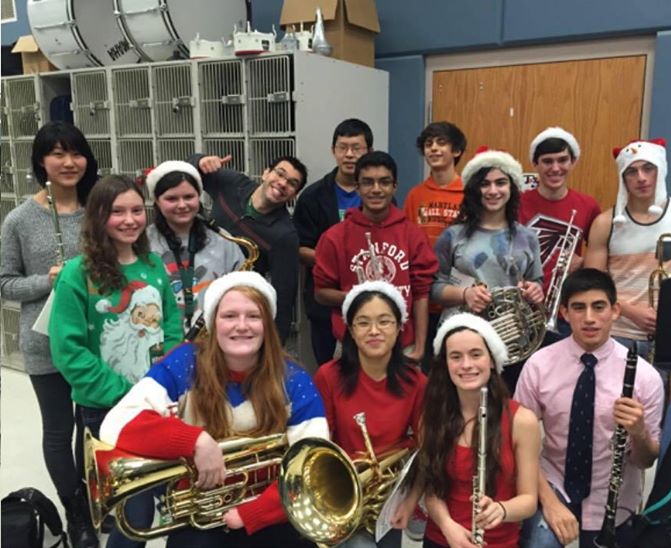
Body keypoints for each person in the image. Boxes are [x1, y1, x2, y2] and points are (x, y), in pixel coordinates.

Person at [98, 271, 329, 548]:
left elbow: (312, 466)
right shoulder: (184, 363)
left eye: (253, 316)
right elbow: (116, 424)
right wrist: (195, 440)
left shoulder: (293, 379)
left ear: (267, 324)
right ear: (212, 322)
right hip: (199, 516)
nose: (241, 326)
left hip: (271, 512)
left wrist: (250, 513)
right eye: (229, 316)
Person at [48, 174, 183, 548]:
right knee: (132, 515)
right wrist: (126, 394)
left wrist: (165, 382)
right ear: (97, 217)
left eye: (137, 210)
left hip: (157, 404)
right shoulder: (78, 273)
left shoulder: (153, 264)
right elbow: (69, 351)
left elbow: (172, 327)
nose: (130, 220)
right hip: (107, 408)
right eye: (117, 212)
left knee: (172, 504)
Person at [0, 121, 99, 548]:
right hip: (46, 341)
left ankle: (98, 502)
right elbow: (5, 284)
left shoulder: (100, 209)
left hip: (98, 339)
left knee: (92, 430)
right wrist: (48, 280)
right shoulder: (20, 219)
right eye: (57, 153)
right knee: (59, 431)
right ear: (40, 161)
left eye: (75, 153)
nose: (68, 162)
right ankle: (76, 512)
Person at [514, 268, 664, 548]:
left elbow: (646, 461)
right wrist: (549, 503)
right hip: (553, 484)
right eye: (578, 308)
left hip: (614, 498)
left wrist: (639, 431)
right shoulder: (539, 365)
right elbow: (518, 444)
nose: (590, 318)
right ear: (564, 313)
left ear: (615, 310)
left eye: (599, 307)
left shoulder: (645, 377)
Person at [393, 313, 540, 548]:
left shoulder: (522, 421)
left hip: (498, 543)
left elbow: (529, 501)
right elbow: (433, 489)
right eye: (456, 357)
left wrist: (501, 510)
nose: (466, 365)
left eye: (475, 354)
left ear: (492, 360)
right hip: (442, 538)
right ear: (446, 365)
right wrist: (448, 527)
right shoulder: (432, 417)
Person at [584, 138, 671, 393]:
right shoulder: (605, 223)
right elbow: (592, 287)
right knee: (617, 411)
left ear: (660, 169)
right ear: (623, 177)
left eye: (648, 168)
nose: (641, 178)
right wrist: (631, 311)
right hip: (619, 333)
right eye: (632, 171)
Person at [313, 280, 428, 547]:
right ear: (351, 331)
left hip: (387, 500)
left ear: (399, 328)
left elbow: (426, 449)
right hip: (337, 494)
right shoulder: (328, 376)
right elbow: (319, 447)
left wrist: (410, 502)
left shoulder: (416, 381)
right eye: (363, 323)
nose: (374, 331)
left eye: (384, 322)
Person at [431, 146, 543, 391]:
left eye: (501, 183)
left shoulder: (528, 237)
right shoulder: (452, 236)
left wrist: (535, 291)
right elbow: (433, 287)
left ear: (512, 188)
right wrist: (464, 295)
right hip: (463, 340)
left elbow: (537, 282)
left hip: (513, 341)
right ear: (474, 189)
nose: (493, 191)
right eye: (485, 184)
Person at [313, 151, 439, 364]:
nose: (376, 189)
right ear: (358, 187)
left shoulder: (413, 234)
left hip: (402, 345)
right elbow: (321, 294)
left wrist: (419, 346)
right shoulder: (335, 236)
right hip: (352, 344)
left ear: (394, 187)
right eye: (368, 182)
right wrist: (362, 295)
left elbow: (421, 293)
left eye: (384, 182)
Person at [188, 152, 308, 344]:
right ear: (265, 173)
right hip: (194, 279)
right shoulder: (233, 182)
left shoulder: (284, 236)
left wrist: (275, 350)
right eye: (280, 173)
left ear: (294, 195)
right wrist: (200, 161)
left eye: (292, 183)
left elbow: (284, 298)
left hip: (235, 306)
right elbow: (185, 174)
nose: (283, 183)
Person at [293, 119, 374, 365]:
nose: (349, 155)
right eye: (342, 147)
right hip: (325, 303)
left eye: (356, 148)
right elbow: (298, 247)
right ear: (333, 151)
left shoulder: (377, 194)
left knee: (369, 366)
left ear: (368, 151)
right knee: (330, 369)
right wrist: (335, 260)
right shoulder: (313, 196)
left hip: (369, 301)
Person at [519, 127, 601, 339]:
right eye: (547, 161)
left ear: (573, 162)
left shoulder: (588, 205)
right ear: (535, 164)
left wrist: (582, 262)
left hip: (564, 313)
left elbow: (601, 252)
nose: (555, 168)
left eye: (562, 160)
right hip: (521, 311)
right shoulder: (516, 203)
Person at [145, 160, 244, 333]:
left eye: (189, 197)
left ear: (199, 197)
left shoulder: (222, 239)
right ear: (157, 202)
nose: (182, 205)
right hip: (158, 337)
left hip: (213, 338)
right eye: (171, 198)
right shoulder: (142, 242)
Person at [404, 121, 467, 371]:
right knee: (429, 370)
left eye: (441, 143)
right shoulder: (415, 195)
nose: (434, 149)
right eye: (429, 144)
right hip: (422, 301)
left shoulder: (468, 193)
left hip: (457, 299)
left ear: (457, 151)